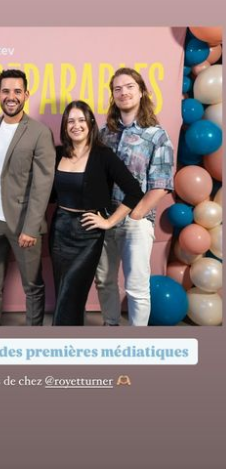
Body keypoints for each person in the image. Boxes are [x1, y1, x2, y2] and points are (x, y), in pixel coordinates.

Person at [50, 101, 143, 326]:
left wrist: (109, 221)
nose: (76, 125)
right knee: (62, 290)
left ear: (91, 123)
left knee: (72, 293)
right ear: (64, 126)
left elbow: (134, 192)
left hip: (87, 234)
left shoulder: (103, 155)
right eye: (70, 121)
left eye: (81, 120)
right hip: (59, 230)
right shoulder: (57, 153)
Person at [95, 68, 174, 326]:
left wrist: (137, 214)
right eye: (117, 89)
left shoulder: (156, 135)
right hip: (106, 218)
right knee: (105, 280)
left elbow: (162, 183)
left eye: (129, 86)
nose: (123, 92)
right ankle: (111, 328)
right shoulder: (105, 133)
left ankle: (136, 343)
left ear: (141, 91)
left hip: (136, 221)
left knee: (136, 286)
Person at [0, 69, 55, 326]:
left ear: (26, 95)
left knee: (32, 286)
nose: (11, 96)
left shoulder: (39, 132)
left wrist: (31, 227)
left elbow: (43, 184)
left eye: (17, 91)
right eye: (6, 91)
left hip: (24, 223)